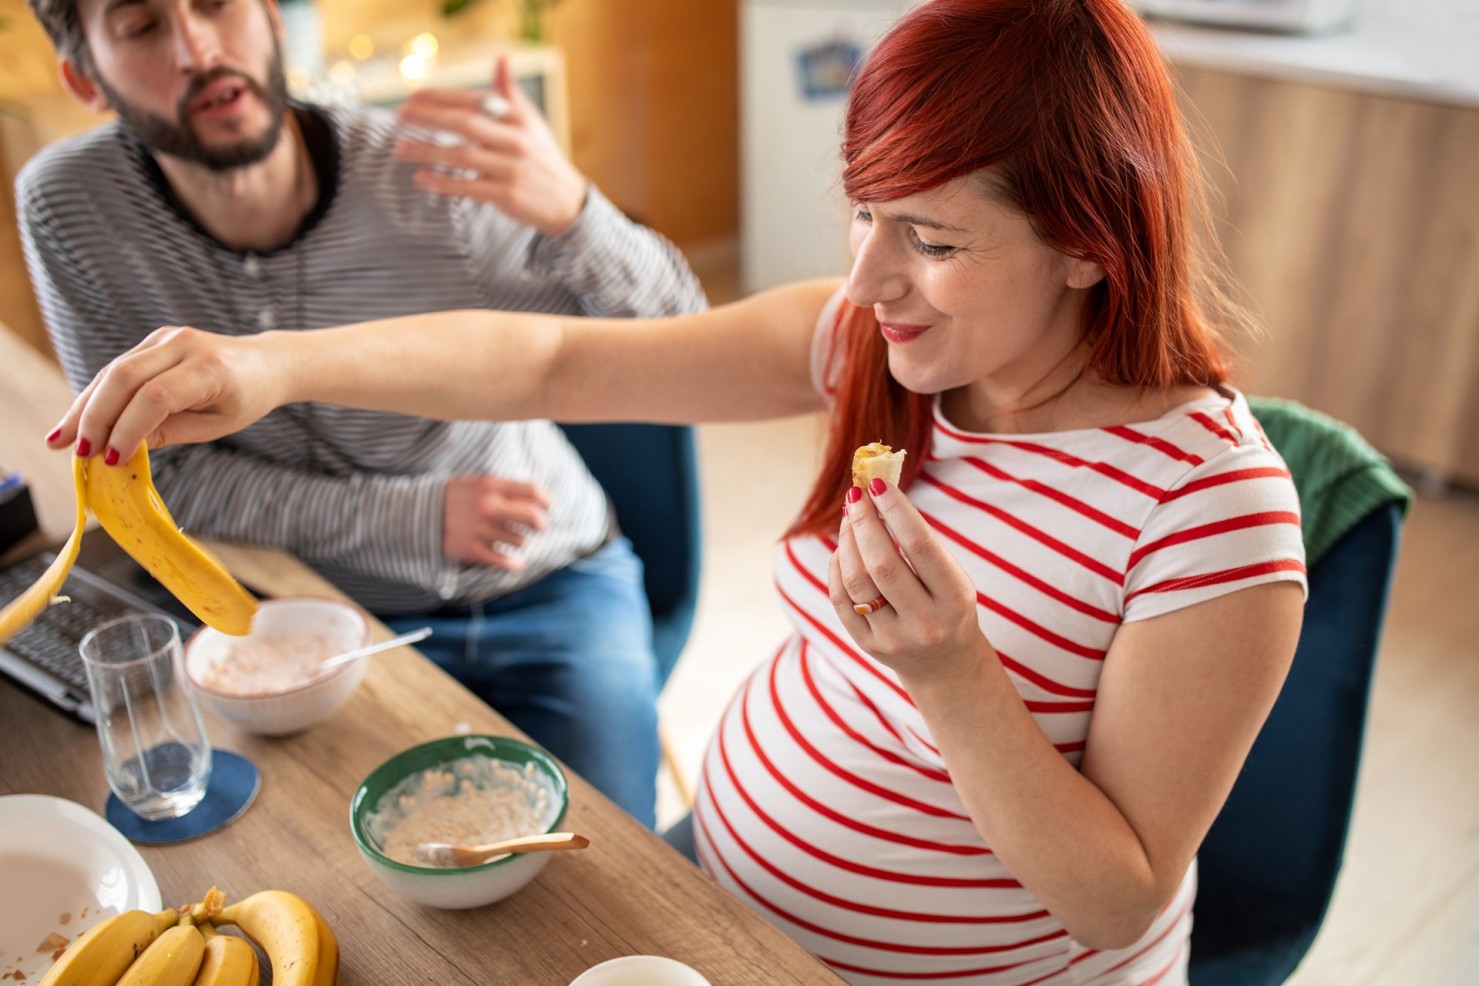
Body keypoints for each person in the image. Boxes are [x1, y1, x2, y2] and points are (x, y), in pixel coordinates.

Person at [48, 1, 1308, 982]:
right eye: (863, 213)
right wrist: (275, 366)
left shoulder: (1211, 506)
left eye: (931, 239)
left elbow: (1119, 893)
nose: (866, 279)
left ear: (1091, 241)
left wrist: (954, 674)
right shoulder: (886, 354)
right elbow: (553, 356)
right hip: (720, 899)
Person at [18, 0, 709, 828]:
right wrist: (411, 519)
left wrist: (575, 212)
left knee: (597, 868)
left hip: (543, 584)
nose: (197, 48)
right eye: (141, 27)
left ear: (272, 17)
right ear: (83, 77)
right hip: (312, 615)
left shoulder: (425, 178)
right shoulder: (72, 206)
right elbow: (163, 476)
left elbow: (689, 354)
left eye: (215, 6)